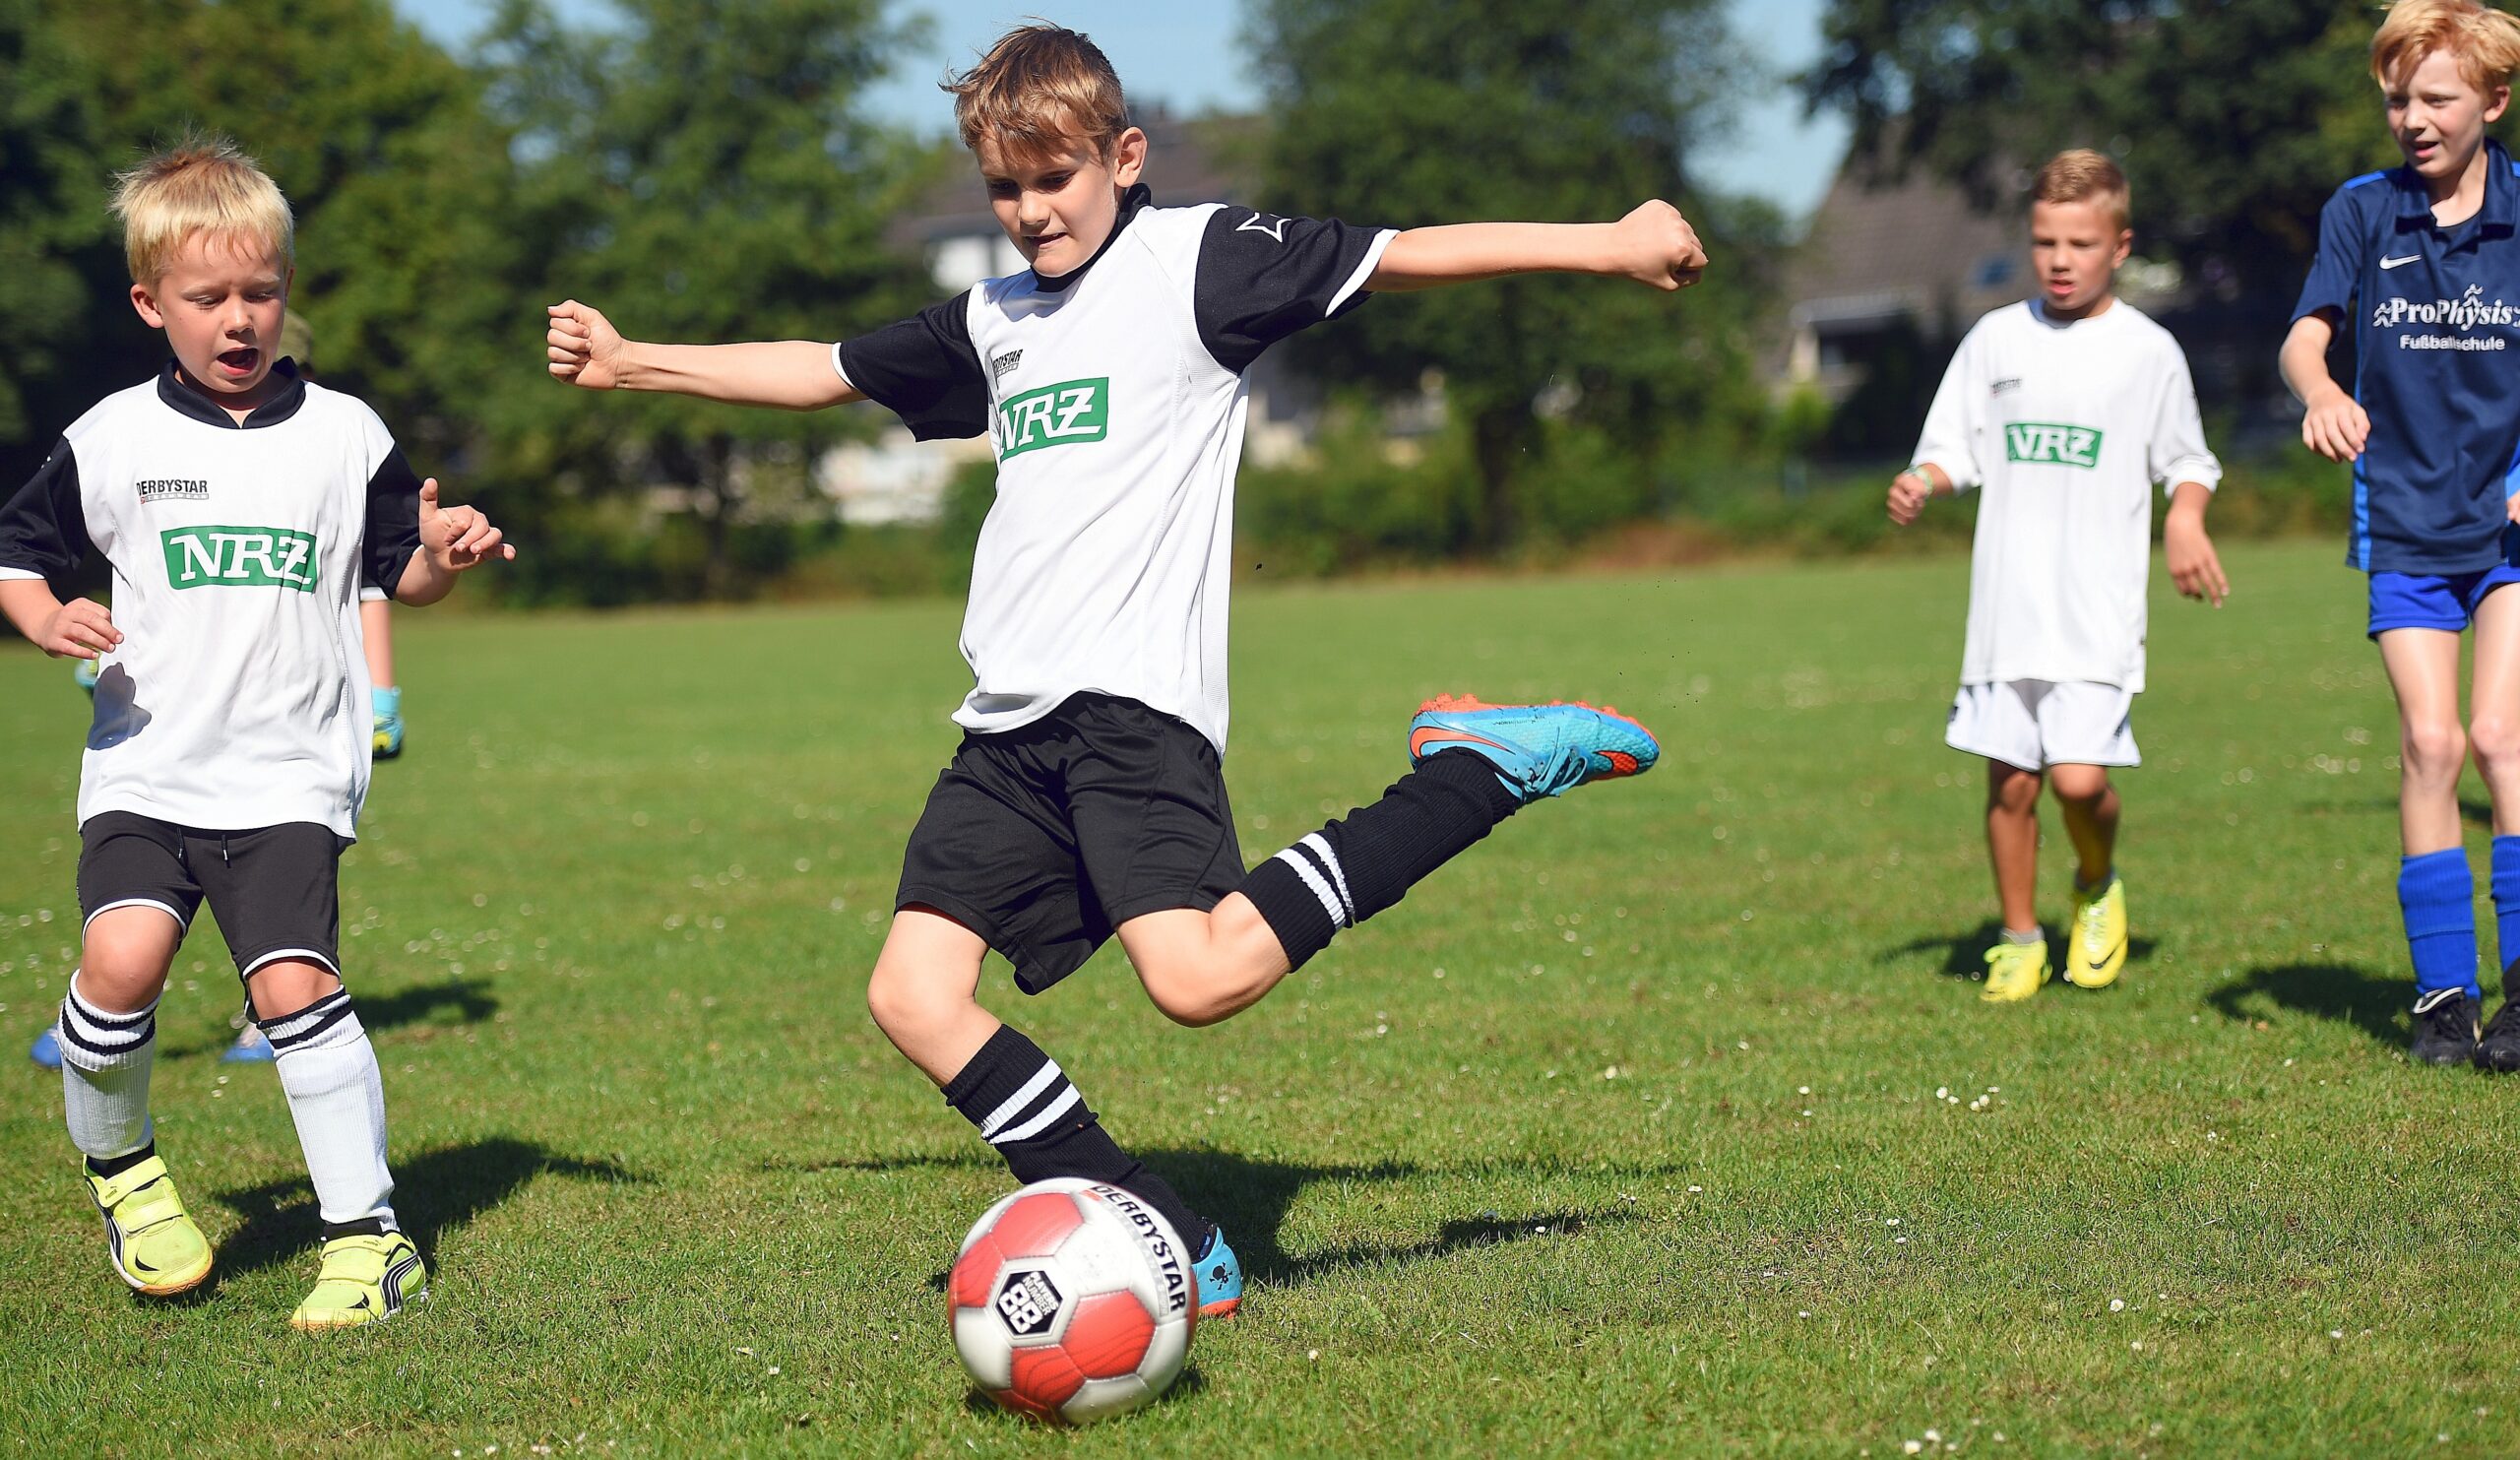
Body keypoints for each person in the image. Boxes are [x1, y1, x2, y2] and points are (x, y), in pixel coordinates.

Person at [545, 24, 1692, 1320]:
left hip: (1132, 713)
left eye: (1055, 179)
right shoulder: (994, 318)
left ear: (1124, 156)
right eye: (1005, 188)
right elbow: (823, 371)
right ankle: (1159, 1224)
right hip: (1008, 728)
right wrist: (634, 360)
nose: (1031, 211)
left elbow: (1402, 254)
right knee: (913, 995)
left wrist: (1607, 240)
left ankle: (1479, 770)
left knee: (1198, 977)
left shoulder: (1197, 262)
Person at [0, 138, 513, 1324]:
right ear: (150, 304)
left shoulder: (346, 435)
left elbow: (401, 578)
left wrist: (438, 558)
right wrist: (41, 616)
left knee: (290, 985)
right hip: (147, 766)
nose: (240, 319)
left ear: (287, 287)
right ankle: (127, 1178)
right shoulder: (115, 435)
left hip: (287, 777)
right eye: (208, 298)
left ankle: (369, 1237)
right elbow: (19, 553)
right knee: (118, 964)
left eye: (261, 292)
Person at [1888, 150, 2226, 1003]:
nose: (2060, 259)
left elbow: (2188, 461)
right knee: (2010, 785)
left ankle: (2096, 879)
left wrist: (2184, 518)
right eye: (2045, 241)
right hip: (2007, 609)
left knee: (2079, 780)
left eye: (2080, 241)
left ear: (2120, 245)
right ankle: (2018, 938)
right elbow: (1953, 446)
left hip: (2098, 610)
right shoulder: (1995, 338)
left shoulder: (2148, 352)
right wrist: (1925, 479)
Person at [2281, 0, 2520, 1066]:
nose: (2412, 119)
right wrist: (2317, 388)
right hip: (2409, 521)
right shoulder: (2362, 211)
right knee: (2430, 743)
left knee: (2501, 741)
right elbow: (2303, 336)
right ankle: (2442, 1003)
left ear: (2493, 102)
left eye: (2436, 98)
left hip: (2507, 524)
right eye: (2395, 100)